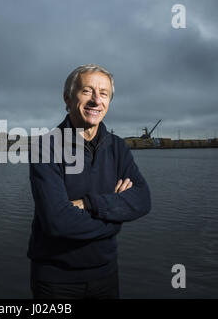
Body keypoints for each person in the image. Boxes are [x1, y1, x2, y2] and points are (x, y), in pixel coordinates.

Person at [27, 64, 151, 299]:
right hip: (56, 281)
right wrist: (116, 217)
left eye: (103, 94)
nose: (96, 100)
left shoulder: (118, 147)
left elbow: (143, 199)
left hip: (106, 275)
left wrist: (88, 204)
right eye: (87, 91)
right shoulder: (45, 147)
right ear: (67, 98)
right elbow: (58, 222)